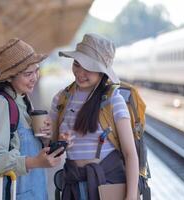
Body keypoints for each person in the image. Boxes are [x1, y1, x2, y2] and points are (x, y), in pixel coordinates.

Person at [50, 33, 139, 200]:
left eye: (89, 68)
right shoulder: (61, 99)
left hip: (109, 186)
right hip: (73, 187)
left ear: (101, 72)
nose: (80, 73)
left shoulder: (113, 101)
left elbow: (130, 154)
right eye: (77, 64)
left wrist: (131, 197)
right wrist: (58, 142)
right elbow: (50, 147)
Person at [0, 38, 63, 199]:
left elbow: (24, 144)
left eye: (36, 70)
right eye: (28, 74)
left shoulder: (23, 99)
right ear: (10, 77)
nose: (35, 77)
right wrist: (35, 162)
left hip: (35, 191)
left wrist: (48, 138)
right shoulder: (0, 103)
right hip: (15, 192)